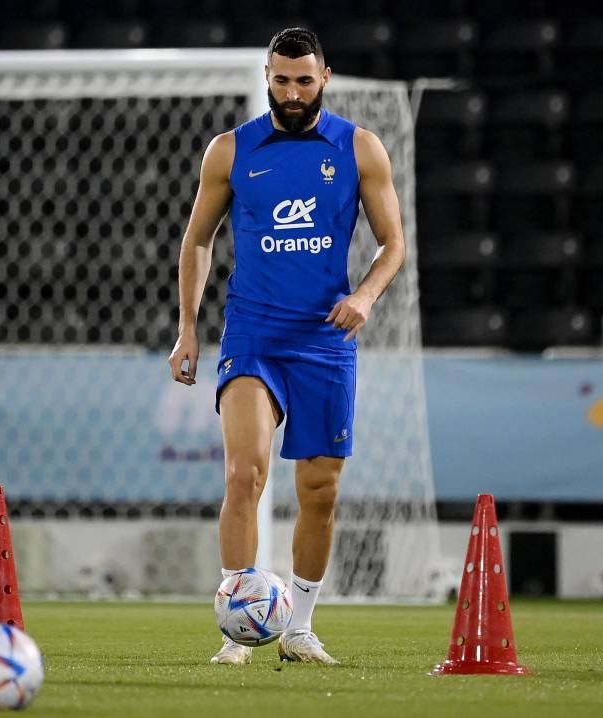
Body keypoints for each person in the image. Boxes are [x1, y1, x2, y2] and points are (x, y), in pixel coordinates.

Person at [168, 27, 406, 665]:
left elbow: (394, 245)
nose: (293, 92)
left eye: (304, 80)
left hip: (325, 339)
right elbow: (197, 240)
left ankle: (299, 629)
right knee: (243, 474)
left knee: (320, 491)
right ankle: (236, 632)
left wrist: (366, 296)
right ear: (266, 78)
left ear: (324, 77)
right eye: (281, 80)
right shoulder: (230, 150)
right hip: (253, 336)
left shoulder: (359, 147)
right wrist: (188, 327)